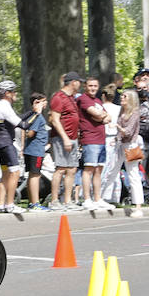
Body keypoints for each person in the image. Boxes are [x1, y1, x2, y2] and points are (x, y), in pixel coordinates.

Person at [48, 72, 84, 210]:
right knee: (61, 169)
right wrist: (65, 138)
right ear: (73, 82)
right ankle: (55, 200)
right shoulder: (59, 97)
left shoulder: (71, 98)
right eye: (79, 82)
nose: (80, 84)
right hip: (62, 138)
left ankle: (68, 201)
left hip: (73, 137)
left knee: (72, 169)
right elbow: (55, 120)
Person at [76, 76, 112, 210]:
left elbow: (108, 117)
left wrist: (100, 115)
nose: (92, 88)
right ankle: (87, 199)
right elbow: (96, 114)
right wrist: (100, 116)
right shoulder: (83, 99)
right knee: (89, 169)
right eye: (90, 86)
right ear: (85, 87)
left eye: (95, 86)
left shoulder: (97, 100)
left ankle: (98, 198)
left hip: (101, 138)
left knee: (99, 170)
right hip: (90, 138)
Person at [0, 80, 24, 213]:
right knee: (15, 172)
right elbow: (22, 124)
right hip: (6, 143)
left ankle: (1, 204)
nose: (15, 94)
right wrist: (35, 112)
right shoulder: (4, 105)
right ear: (7, 93)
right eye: (13, 91)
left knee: (5, 174)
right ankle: (10, 204)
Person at [113, 89, 146, 217]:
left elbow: (128, 131)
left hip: (131, 146)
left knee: (133, 175)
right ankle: (107, 198)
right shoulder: (122, 112)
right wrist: (117, 138)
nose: (122, 98)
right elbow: (122, 133)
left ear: (131, 99)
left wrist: (117, 127)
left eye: (125, 96)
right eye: (122, 96)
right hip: (121, 144)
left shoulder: (135, 113)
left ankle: (138, 206)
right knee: (112, 171)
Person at [18, 93, 51, 211]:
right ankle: (35, 203)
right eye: (43, 101)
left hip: (32, 150)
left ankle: (32, 202)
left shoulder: (32, 115)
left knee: (33, 175)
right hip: (35, 150)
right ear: (37, 102)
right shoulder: (37, 116)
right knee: (35, 176)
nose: (46, 103)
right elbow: (30, 133)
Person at [99, 85, 122, 207]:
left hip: (106, 138)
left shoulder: (101, 108)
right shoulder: (119, 109)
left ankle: (103, 195)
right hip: (116, 139)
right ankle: (115, 195)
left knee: (105, 168)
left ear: (103, 96)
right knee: (115, 169)